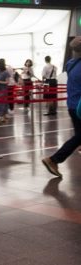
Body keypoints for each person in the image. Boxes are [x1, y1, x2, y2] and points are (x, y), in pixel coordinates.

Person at [42, 37, 81, 178]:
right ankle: (53, 159)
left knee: (79, 135)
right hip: (80, 106)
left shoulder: (70, 64)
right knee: (79, 137)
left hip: (72, 105)